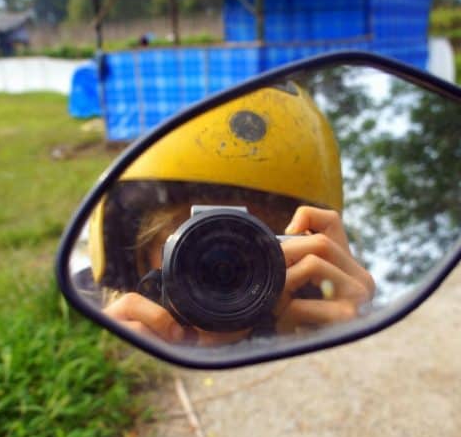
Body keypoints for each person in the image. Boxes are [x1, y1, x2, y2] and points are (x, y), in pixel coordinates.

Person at [87, 82, 375, 347]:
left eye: (259, 244)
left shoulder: (312, 330)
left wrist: (348, 338)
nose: (226, 272)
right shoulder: (107, 327)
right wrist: (117, 363)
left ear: (309, 255)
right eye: (197, 239)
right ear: (138, 258)